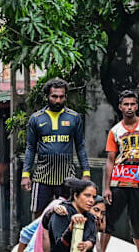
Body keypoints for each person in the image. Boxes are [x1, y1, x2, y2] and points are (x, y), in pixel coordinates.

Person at [101, 90, 139, 252]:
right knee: (110, 220)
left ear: (137, 105)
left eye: (132, 104)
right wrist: (106, 187)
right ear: (120, 107)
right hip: (119, 180)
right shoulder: (115, 131)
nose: (129, 108)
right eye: (126, 104)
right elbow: (110, 160)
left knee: (137, 222)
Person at [21, 78, 91, 220]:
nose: (58, 100)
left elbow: (80, 146)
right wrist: (25, 175)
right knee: (38, 215)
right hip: (42, 176)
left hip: (67, 176)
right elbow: (30, 148)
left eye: (61, 96)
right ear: (47, 96)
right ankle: (38, 241)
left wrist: (86, 172)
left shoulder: (74, 117)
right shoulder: (36, 118)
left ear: (65, 97)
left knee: (69, 213)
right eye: (54, 96)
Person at [48, 178, 100, 252]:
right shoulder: (62, 212)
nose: (91, 201)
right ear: (76, 196)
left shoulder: (90, 217)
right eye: (87, 195)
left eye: (93, 197)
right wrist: (71, 228)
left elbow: (92, 239)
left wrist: (87, 244)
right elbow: (59, 247)